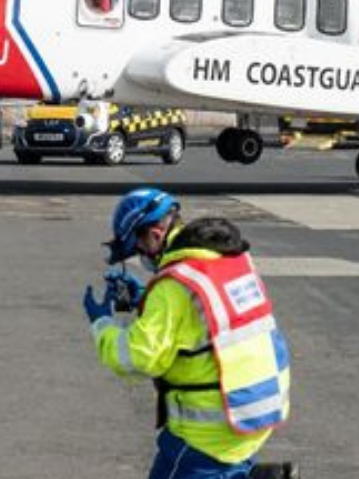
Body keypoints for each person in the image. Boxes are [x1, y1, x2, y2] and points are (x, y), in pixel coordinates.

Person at [84, 188, 294, 479]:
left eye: (139, 247)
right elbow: (214, 316)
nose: (141, 256)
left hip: (210, 431)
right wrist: (146, 296)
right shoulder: (228, 258)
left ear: (156, 235)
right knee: (228, 465)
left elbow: (136, 358)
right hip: (258, 410)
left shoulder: (173, 288)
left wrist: (101, 324)